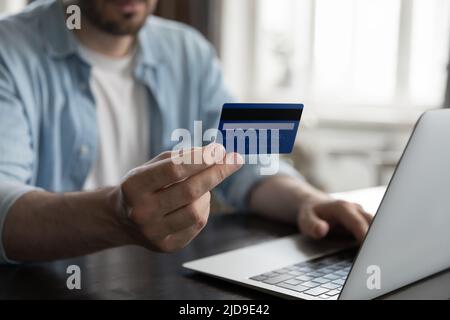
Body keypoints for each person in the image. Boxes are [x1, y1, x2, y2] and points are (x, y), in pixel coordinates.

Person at [0, 0, 372, 264]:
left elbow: (246, 155)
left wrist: (306, 200)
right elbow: (3, 206)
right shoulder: (9, 50)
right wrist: (117, 215)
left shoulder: (187, 49)